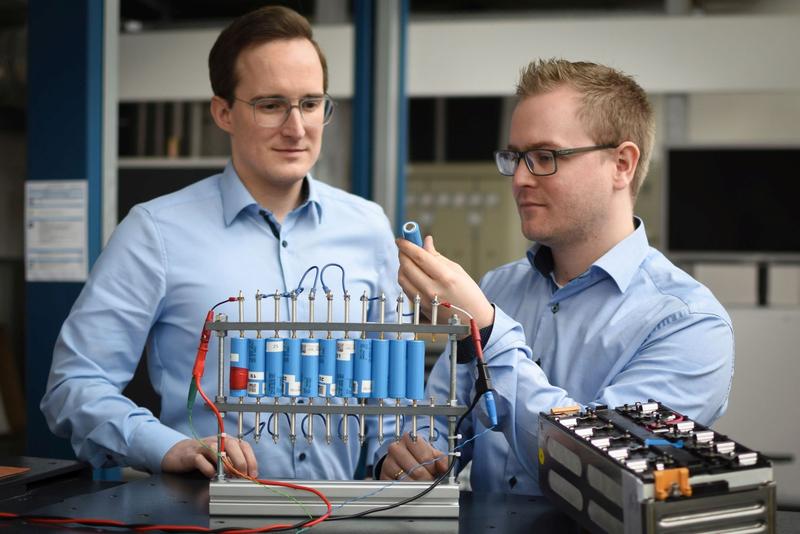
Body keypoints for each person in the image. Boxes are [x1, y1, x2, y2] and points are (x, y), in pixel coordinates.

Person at [41, 6, 399, 480]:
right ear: (224, 112)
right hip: (204, 516)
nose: (297, 128)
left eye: (311, 104)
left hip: (342, 517)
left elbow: (390, 389)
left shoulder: (369, 227)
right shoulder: (155, 233)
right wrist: (169, 448)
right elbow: (74, 384)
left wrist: (395, 452)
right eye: (271, 105)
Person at [379, 59, 734, 495]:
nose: (521, 179)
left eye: (546, 157)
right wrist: (407, 454)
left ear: (621, 164)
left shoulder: (688, 324)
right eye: (515, 158)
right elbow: (438, 420)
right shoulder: (498, 289)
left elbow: (601, 471)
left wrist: (490, 333)